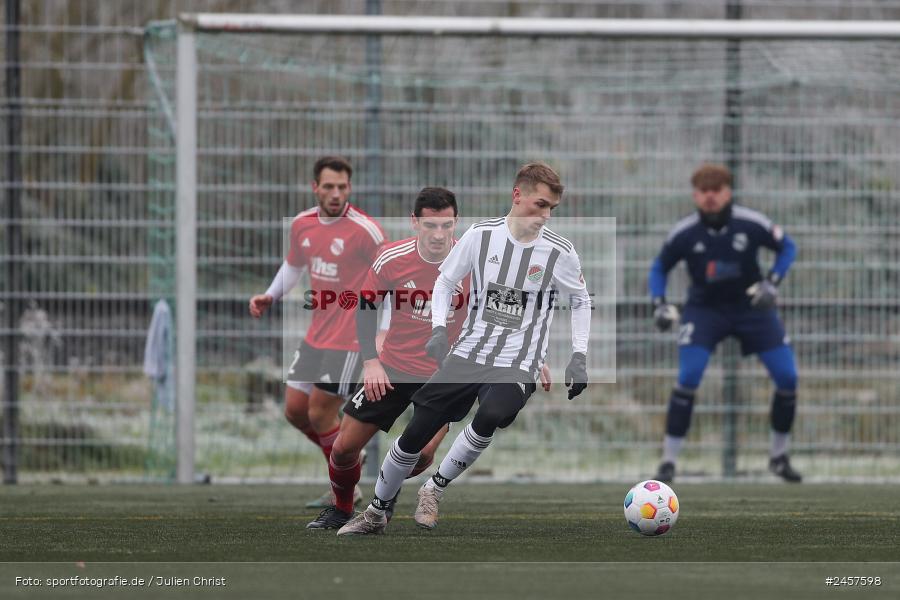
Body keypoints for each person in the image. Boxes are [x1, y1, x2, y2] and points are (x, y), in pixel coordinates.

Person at [338, 162, 590, 536]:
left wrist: (579, 355)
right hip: (468, 353)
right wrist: (439, 329)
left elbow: (581, 301)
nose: (545, 215)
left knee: (493, 413)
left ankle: (434, 488)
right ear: (517, 195)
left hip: (518, 362)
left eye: (552, 208)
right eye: (540, 205)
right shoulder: (480, 236)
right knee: (415, 437)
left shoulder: (559, 251)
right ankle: (375, 512)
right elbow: (444, 283)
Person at [649, 163, 801, 484]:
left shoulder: (751, 223)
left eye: (716, 191)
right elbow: (659, 268)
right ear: (695, 195)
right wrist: (659, 304)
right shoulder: (684, 233)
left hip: (753, 308)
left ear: (727, 192)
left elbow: (788, 246)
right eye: (703, 192)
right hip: (704, 311)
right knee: (688, 377)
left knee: (788, 377)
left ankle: (778, 457)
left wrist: (772, 283)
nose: (710, 198)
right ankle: (668, 463)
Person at [249, 156, 385, 507]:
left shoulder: (365, 230)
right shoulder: (302, 225)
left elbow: (389, 278)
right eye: (329, 186)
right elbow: (294, 265)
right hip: (317, 334)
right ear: (315, 188)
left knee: (321, 412)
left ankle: (345, 491)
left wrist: (383, 332)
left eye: (342, 187)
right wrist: (270, 295)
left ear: (349, 188)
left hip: (351, 337)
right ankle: (348, 458)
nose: (336, 193)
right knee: (295, 410)